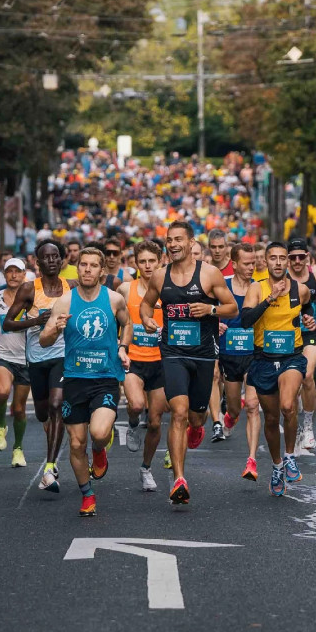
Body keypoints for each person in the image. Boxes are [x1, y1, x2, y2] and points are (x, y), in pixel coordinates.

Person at [139, 220, 238, 505]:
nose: (173, 244)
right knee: (178, 412)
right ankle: (180, 478)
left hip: (203, 354)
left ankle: (199, 427)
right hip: (173, 352)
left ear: (192, 242)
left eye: (179, 239)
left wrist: (211, 309)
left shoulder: (209, 274)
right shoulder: (160, 276)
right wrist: (147, 318)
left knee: (195, 416)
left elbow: (231, 308)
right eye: (169, 240)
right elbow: (147, 303)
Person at [39, 247, 133, 517]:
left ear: (102, 271)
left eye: (93, 265)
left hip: (105, 378)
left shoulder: (114, 299)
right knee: (76, 443)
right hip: (75, 379)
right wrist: (55, 329)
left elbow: (127, 324)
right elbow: (44, 341)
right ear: (77, 268)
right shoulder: (65, 303)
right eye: (83, 265)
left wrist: (123, 347)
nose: (88, 269)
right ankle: (87, 495)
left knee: (99, 433)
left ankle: (100, 449)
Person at [239, 241, 316, 496]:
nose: (279, 262)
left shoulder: (300, 289)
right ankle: (276, 466)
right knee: (271, 418)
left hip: (291, 358)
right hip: (262, 360)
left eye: (282, 258)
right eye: (273, 258)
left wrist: (308, 318)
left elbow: (307, 309)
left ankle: (290, 455)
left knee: (287, 406)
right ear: (266, 261)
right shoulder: (256, 288)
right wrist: (270, 298)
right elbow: (246, 320)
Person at [3, 241, 74, 484]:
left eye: (56, 257)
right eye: (47, 257)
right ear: (38, 262)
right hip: (36, 359)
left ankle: (50, 466)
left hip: (63, 357)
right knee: (43, 412)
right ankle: (51, 443)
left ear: (62, 260)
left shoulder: (71, 288)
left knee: (57, 405)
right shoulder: (28, 290)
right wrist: (35, 321)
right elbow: (8, 323)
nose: (52, 261)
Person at [117, 241, 170, 491]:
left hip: (160, 361)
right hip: (133, 359)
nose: (148, 266)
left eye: (152, 261)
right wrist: (118, 347)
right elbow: (114, 320)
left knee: (157, 422)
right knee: (137, 405)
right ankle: (132, 423)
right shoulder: (126, 289)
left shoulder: (168, 289)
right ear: (135, 264)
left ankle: (146, 468)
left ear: (160, 261)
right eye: (143, 261)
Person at [218, 244, 262, 480]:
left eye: (253, 263)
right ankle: (230, 416)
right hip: (229, 355)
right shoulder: (222, 286)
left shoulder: (260, 288)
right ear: (234, 264)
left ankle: (251, 460)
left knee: (253, 406)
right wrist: (215, 323)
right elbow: (207, 312)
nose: (250, 267)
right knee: (235, 407)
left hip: (254, 354)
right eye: (246, 263)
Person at [286, 237, 316, 451]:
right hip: (286, 334)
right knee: (290, 386)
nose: (296, 261)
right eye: (292, 257)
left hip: (310, 334)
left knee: (307, 376)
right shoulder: (280, 277)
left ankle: (308, 425)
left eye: (300, 257)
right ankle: (292, 425)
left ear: (307, 257)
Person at [0, 260, 32, 468]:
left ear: (24, 274)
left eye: (18, 272)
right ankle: (0, 424)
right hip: (2, 355)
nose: (13, 275)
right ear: (4, 275)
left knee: (19, 408)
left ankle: (18, 448)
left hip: (25, 359)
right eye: (9, 272)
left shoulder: (32, 298)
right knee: (3, 392)